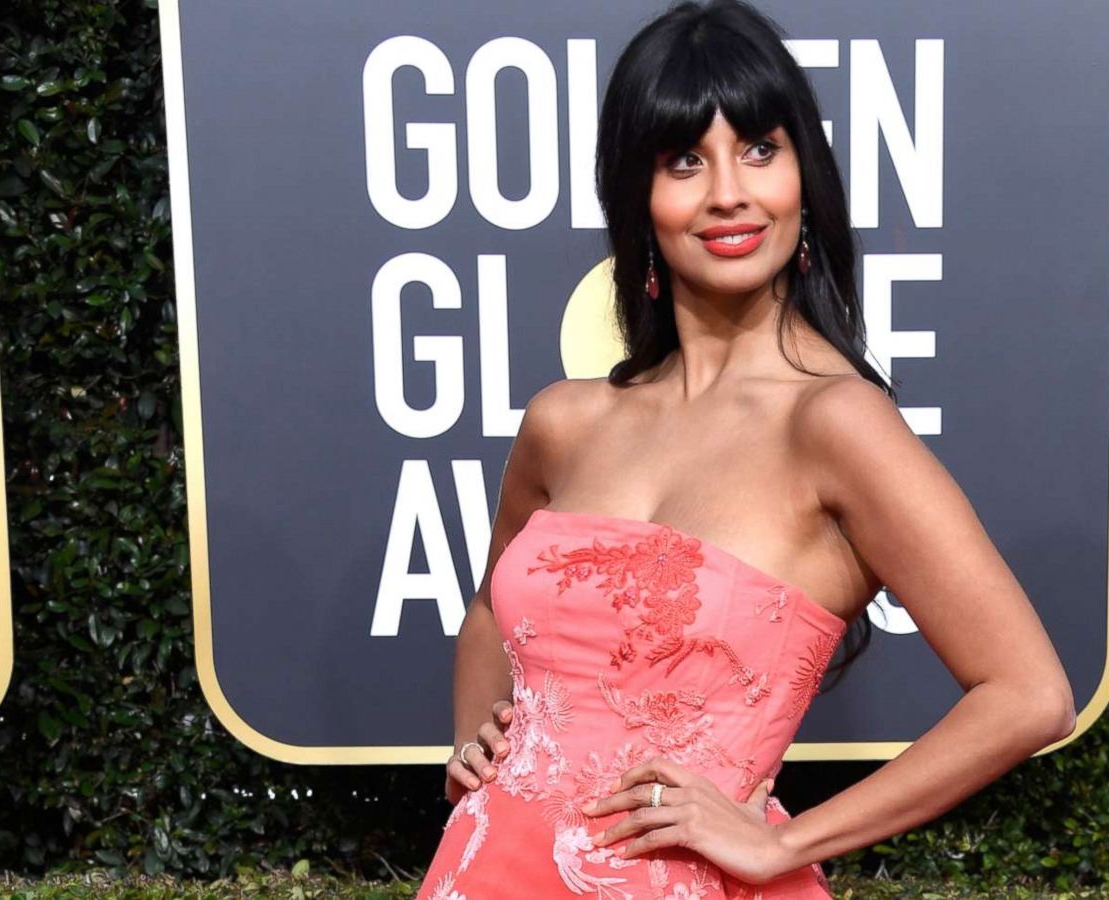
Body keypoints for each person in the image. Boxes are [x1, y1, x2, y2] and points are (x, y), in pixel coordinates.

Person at [416, 2, 1074, 897]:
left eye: (760, 149)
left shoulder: (838, 427)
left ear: (805, 175)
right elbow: (495, 608)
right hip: (491, 870)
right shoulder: (564, 422)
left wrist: (786, 843)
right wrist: (476, 748)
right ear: (637, 197)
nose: (729, 191)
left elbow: (1029, 694)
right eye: (685, 161)